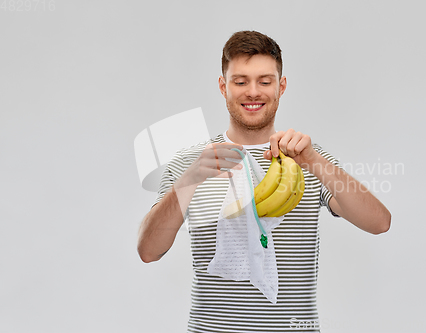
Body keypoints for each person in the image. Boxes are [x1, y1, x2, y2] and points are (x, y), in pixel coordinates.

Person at [137, 30, 391, 332]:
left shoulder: (306, 159)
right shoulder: (190, 162)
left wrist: (314, 161)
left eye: (265, 81)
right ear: (223, 86)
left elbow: (378, 222)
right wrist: (190, 180)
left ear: (281, 87)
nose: (253, 92)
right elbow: (148, 251)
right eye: (240, 81)